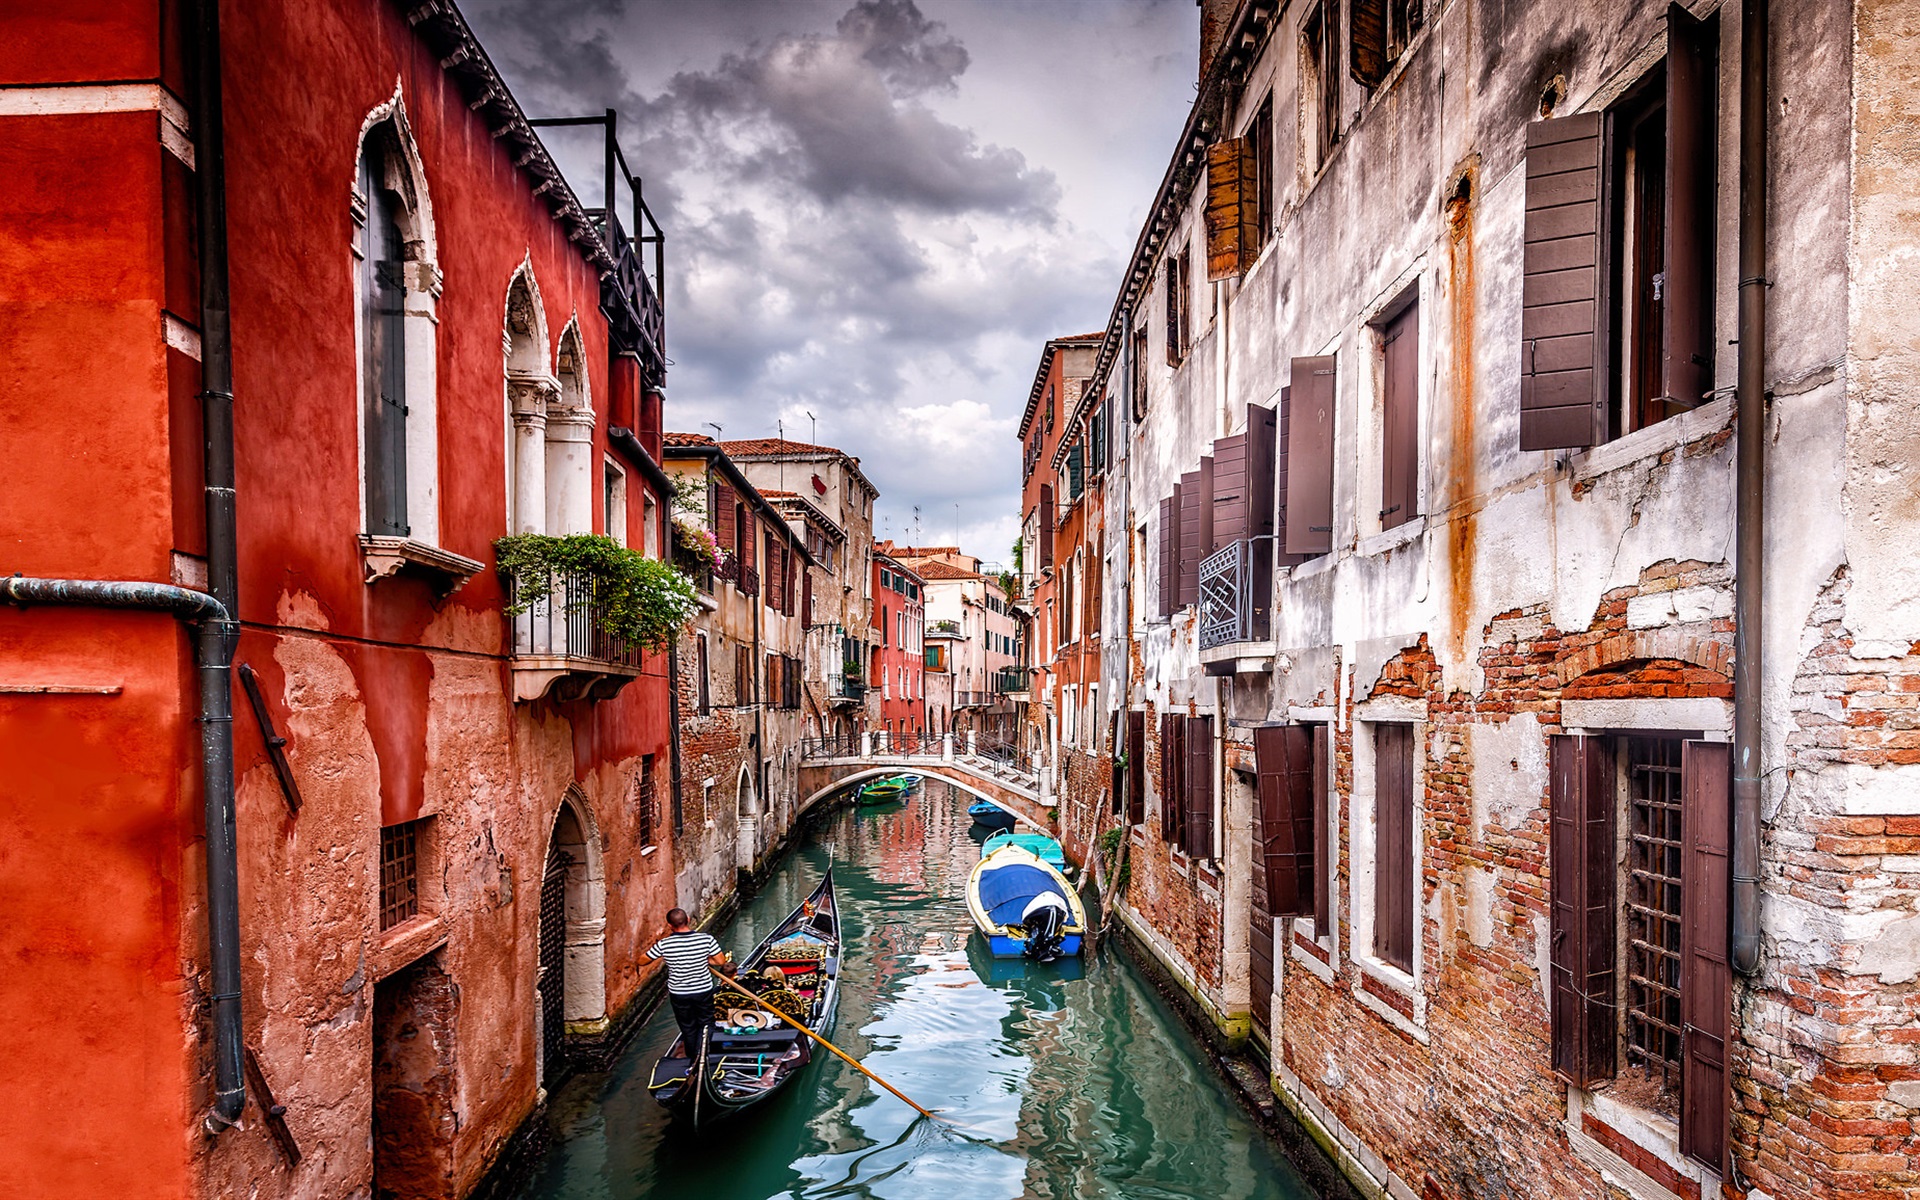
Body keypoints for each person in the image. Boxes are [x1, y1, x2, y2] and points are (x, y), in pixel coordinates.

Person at [646, 907, 733, 1056]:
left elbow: (642, 961)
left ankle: (693, 1058)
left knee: (688, 1027)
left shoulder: (664, 944)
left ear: (670, 926)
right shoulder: (706, 939)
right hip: (703, 991)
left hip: (679, 993)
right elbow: (720, 961)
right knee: (706, 1024)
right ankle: (703, 1054)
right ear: (688, 920)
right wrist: (704, 959)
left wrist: (666, 957)